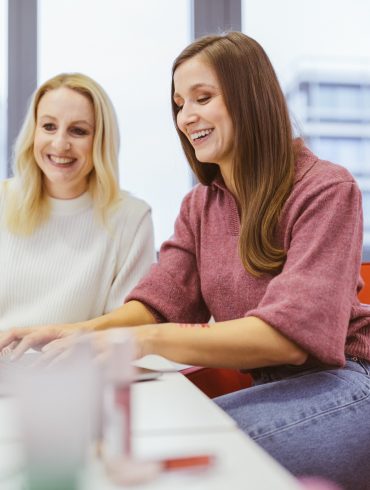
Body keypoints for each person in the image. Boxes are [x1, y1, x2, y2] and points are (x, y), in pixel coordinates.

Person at [1, 33, 370, 488]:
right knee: (122, 451)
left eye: (203, 97)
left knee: (158, 463)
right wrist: (76, 331)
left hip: (349, 387)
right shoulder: (201, 205)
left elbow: (290, 337)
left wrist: (145, 340)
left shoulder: (325, 189)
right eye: (179, 103)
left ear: (250, 99)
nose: (185, 116)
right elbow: (160, 302)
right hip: (273, 389)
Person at [0, 73, 155, 332]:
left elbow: (124, 334)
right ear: (33, 132)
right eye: (49, 126)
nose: (60, 144)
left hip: (80, 369)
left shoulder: (132, 219)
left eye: (78, 131)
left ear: (100, 140)